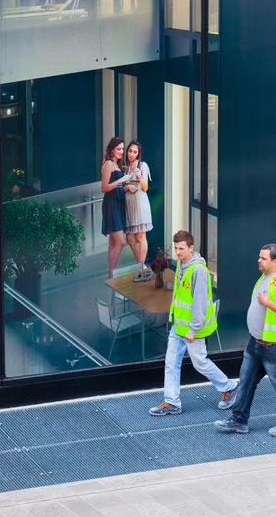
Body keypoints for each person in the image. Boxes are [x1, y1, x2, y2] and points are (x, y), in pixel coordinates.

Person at [149, 230, 238, 416]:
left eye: (181, 248)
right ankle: (172, 401)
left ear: (191, 247)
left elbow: (199, 304)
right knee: (171, 363)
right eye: (175, 248)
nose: (178, 252)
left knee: (200, 363)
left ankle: (228, 387)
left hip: (192, 329)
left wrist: (193, 329)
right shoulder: (182, 265)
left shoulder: (198, 270)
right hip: (179, 326)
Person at [214, 243, 276, 436]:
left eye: (263, 258)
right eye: (259, 257)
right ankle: (238, 421)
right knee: (246, 381)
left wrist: (267, 302)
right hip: (256, 344)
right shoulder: (264, 277)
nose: (258, 261)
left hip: (275, 346)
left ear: (275, 261)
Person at [101, 137, 131, 278]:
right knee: (121, 241)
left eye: (122, 149)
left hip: (118, 204)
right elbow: (104, 188)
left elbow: (117, 188)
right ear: (112, 150)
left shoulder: (117, 165)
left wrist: (126, 187)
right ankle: (111, 274)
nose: (121, 151)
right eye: (118, 149)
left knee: (113, 242)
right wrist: (122, 180)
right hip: (111, 205)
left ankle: (111, 276)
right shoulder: (108, 164)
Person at [123, 140, 153, 269]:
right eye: (130, 151)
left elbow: (145, 187)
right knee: (129, 238)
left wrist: (139, 177)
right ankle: (140, 266)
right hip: (128, 205)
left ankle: (140, 267)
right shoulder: (124, 168)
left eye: (135, 152)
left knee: (141, 235)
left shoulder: (143, 166)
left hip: (140, 202)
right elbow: (120, 187)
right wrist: (127, 186)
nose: (132, 154)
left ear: (138, 154)